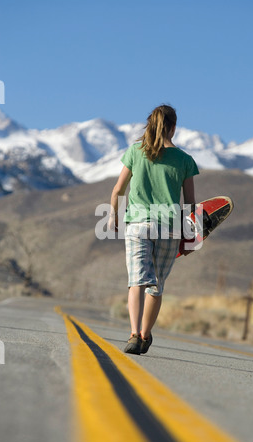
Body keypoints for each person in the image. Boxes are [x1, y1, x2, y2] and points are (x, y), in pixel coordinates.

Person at [109, 104, 199, 355]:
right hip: (169, 228)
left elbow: (118, 189)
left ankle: (133, 334)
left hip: (137, 225)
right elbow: (191, 204)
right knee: (156, 284)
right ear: (173, 127)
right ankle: (145, 335)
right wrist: (192, 238)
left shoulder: (136, 152)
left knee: (136, 281)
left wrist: (114, 215)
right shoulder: (185, 160)